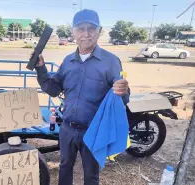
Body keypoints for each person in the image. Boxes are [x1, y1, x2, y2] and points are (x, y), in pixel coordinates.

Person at [34, 9, 130, 185]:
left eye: (91, 28)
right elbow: (53, 89)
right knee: (64, 167)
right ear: (73, 32)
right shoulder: (68, 61)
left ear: (99, 31)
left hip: (94, 131)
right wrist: (41, 68)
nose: (86, 34)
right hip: (68, 129)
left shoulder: (111, 61)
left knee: (91, 174)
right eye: (80, 29)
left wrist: (123, 91)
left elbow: (121, 98)